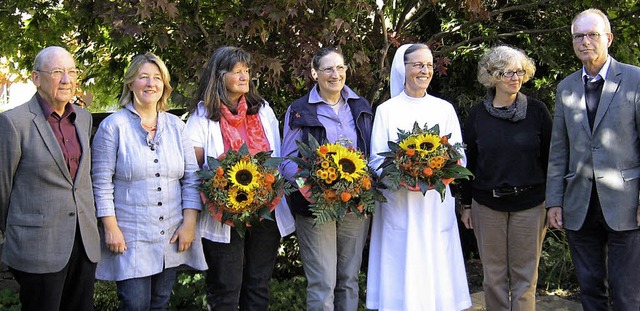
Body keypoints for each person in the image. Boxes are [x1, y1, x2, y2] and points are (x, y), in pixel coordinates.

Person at [91, 52, 207, 310]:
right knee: (135, 304)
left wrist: (189, 223)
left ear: (164, 86)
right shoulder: (113, 127)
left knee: (161, 303)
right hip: (130, 236)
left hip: (171, 234)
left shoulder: (177, 127)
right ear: (131, 83)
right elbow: (100, 182)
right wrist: (110, 227)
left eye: (157, 78)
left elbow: (191, 179)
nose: (150, 84)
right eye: (143, 77)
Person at [184, 46, 295, 311]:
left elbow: (275, 157)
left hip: (265, 211)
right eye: (237, 71)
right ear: (219, 76)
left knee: (258, 285)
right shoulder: (202, 117)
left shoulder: (263, 110)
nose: (244, 76)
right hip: (222, 213)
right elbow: (193, 169)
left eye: (246, 70)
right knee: (225, 287)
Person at [546, 8, 640, 310]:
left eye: (592, 35)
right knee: (590, 291)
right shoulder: (566, 88)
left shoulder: (635, 80)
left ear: (608, 38)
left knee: (626, 294)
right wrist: (554, 201)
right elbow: (559, 149)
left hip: (625, 203)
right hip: (579, 204)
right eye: (578, 36)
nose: (585, 41)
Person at [366, 43, 472, 310]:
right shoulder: (386, 110)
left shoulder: (444, 109)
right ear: (404, 68)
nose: (424, 71)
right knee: (400, 261)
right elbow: (376, 161)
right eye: (417, 65)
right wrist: (406, 177)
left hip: (434, 204)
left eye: (428, 65)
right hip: (399, 204)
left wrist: (438, 174)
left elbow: (459, 156)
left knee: (435, 261)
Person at [0, 46, 100, 311]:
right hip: (38, 248)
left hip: (83, 243)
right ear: (36, 78)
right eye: (57, 72)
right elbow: (3, 189)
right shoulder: (13, 122)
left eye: (71, 71)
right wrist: (17, 234)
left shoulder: (83, 119)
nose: (66, 79)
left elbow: (81, 182)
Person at [280, 47, 374, 311]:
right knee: (322, 283)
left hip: (354, 204)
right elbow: (287, 160)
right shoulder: (299, 110)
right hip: (314, 205)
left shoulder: (361, 106)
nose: (336, 74)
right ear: (314, 73)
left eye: (340, 67)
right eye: (328, 69)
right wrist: (308, 188)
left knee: (348, 280)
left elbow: (370, 152)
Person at [460, 46, 552, 310]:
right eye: (506, 73)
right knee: (494, 277)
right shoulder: (478, 115)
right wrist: (466, 205)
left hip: (531, 205)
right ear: (492, 77)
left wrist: (555, 202)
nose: (515, 78)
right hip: (487, 206)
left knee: (525, 278)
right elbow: (469, 163)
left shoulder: (537, 111)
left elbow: (550, 159)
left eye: (519, 72)